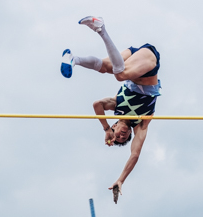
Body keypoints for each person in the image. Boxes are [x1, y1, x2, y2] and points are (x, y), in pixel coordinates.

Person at [61, 16, 161, 197]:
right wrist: (121, 179)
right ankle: (101, 29)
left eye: (118, 136)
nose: (122, 135)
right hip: (149, 62)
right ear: (131, 133)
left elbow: (97, 104)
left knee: (107, 67)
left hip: (133, 58)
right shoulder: (141, 124)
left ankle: (73, 58)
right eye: (125, 137)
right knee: (120, 74)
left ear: (115, 126)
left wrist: (105, 128)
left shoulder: (116, 104)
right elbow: (135, 155)